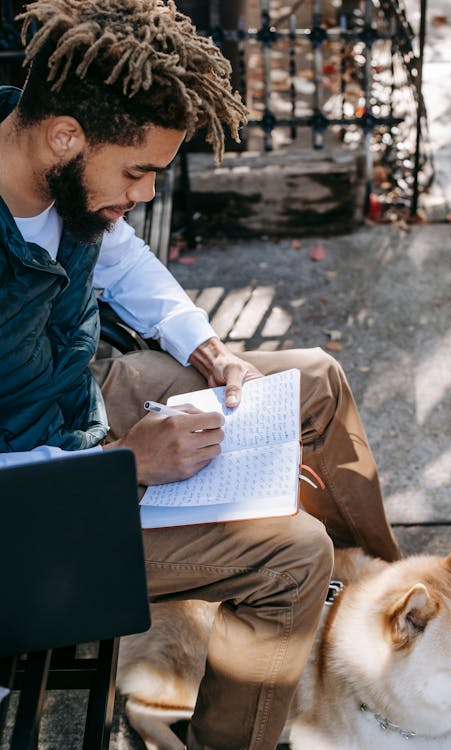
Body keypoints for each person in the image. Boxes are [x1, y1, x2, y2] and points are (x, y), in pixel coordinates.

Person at [0, 1, 400, 748]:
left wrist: (206, 347)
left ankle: (393, 594)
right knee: (293, 554)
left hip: (74, 394)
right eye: (138, 171)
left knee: (316, 381)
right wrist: (125, 466)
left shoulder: (35, 150)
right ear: (64, 137)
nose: (147, 193)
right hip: (33, 511)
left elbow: (113, 253)